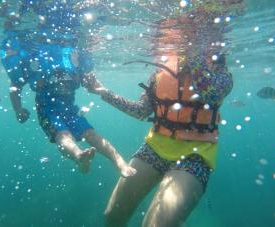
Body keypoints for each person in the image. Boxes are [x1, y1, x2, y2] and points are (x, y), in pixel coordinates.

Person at [85, 0, 245, 226]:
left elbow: (208, 92)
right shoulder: (163, 71)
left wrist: (192, 53)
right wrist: (104, 92)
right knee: (112, 216)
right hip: (155, 147)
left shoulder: (222, 74)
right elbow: (141, 111)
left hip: (196, 156)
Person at [0, 0, 136, 177]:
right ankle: (79, 156)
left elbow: (88, 77)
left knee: (91, 134)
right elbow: (15, 85)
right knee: (63, 135)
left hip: (70, 109)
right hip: (47, 110)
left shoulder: (71, 56)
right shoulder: (34, 57)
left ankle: (121, 164)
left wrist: (93, 84)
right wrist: (18, 109)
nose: (59, 39)